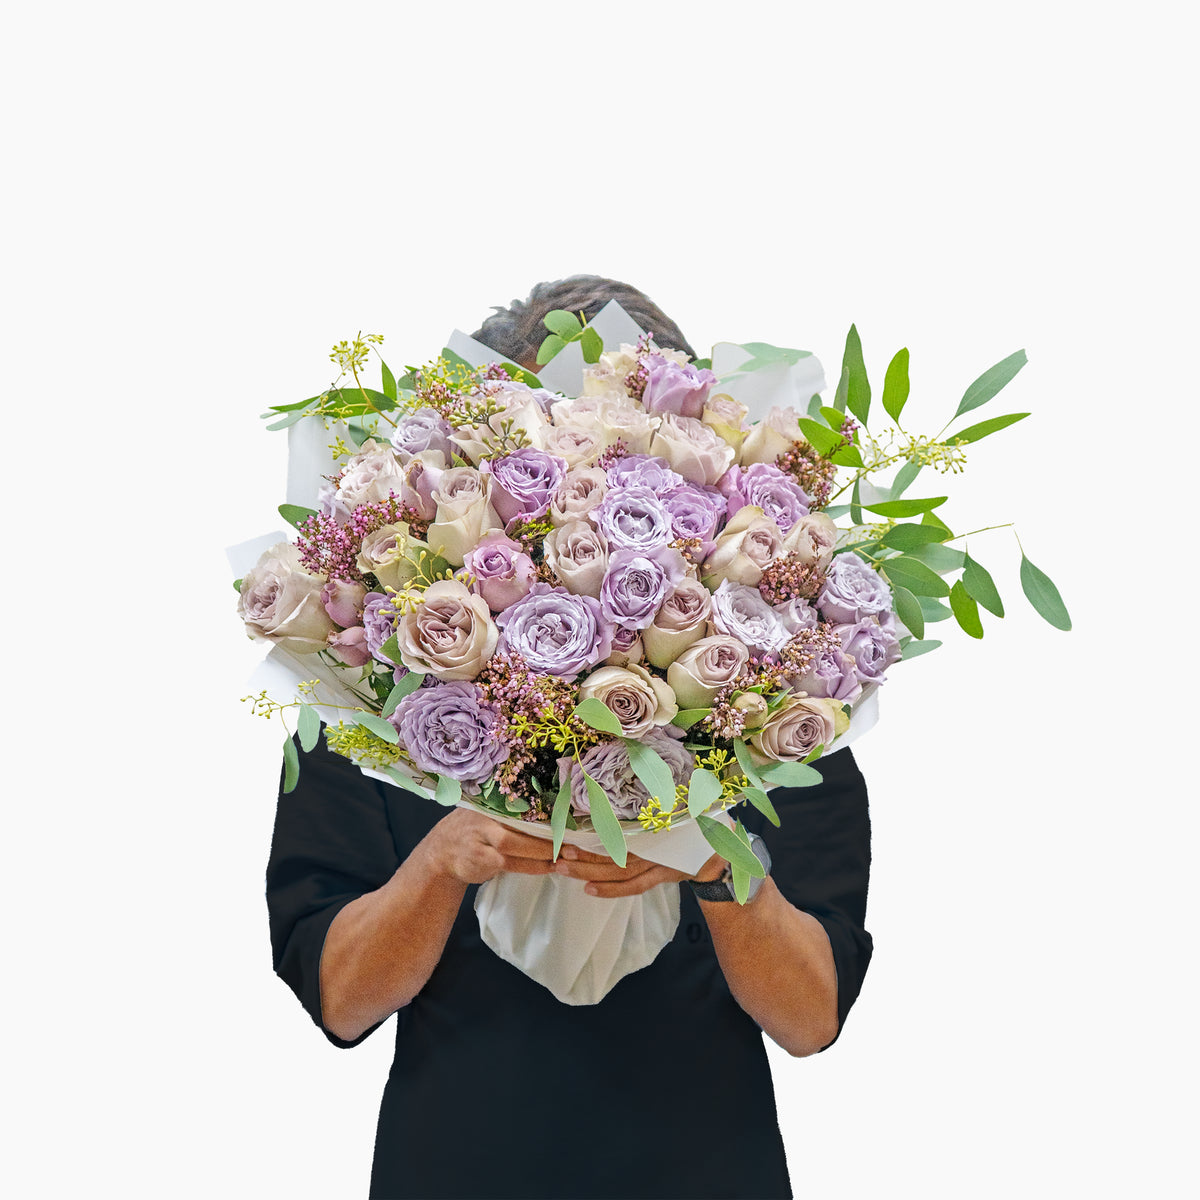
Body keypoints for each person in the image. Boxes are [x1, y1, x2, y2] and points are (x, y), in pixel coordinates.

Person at [266, 277, 874, 1200]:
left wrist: (713, 864)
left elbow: (811, 1017)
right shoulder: (371, 710)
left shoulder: (781, 707)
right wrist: (437, 864)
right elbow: (342, 1001)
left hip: (703, 1171)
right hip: (459, 1168)